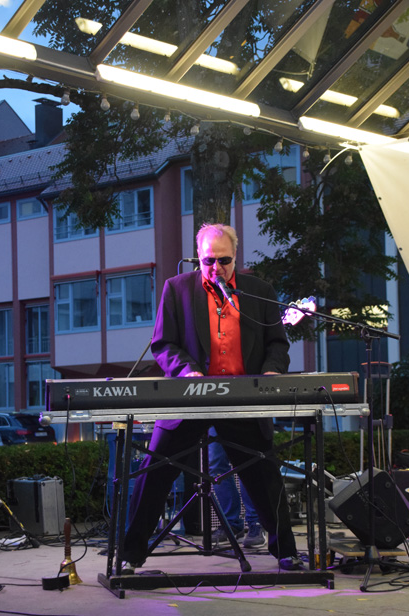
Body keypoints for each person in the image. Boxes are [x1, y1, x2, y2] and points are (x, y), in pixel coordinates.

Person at [123, 223, 302, 572]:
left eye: (224, 260)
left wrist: (271, 371)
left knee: (264, 474)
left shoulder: (259, 292)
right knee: (155, 470)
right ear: (198, 258)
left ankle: (286, 552)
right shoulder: (177, 289)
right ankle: (129, 555)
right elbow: (163, 343)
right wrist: (187, 371)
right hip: (190, 396)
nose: (216, 267)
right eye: (208, 261)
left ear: (235, 256)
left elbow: (277, 344)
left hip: (242, 399)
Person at [208, 426, 266, 548]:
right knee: (216, 467)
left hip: (245, 418)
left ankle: (256, 522)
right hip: (215, 417)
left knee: (247, 464)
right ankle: (230, 524)